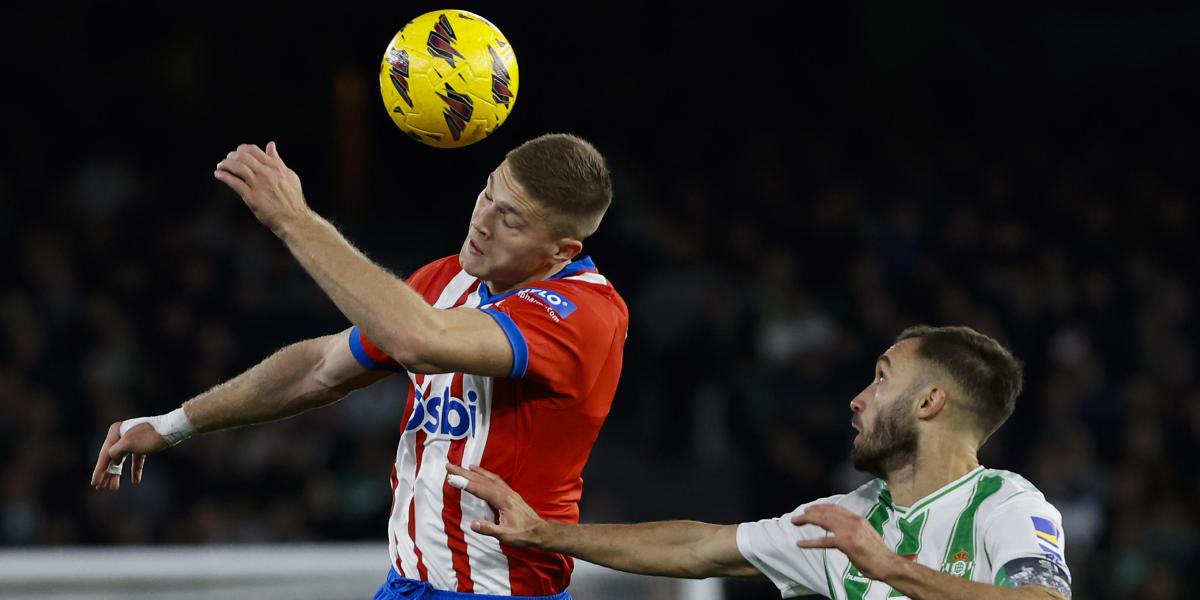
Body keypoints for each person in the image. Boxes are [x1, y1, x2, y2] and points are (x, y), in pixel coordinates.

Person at [89, 133, 629, 599]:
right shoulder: (446, 282)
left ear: (561, 251)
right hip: (406, 584)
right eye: (487, 193)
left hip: (498, 592)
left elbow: (418, 339)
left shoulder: (584, 315)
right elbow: (320, 369)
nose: (482, 221)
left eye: (509, 219)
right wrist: (174, 424)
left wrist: (294, 221)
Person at [447, 326, 1073, 600]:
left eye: (881, 380)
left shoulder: (1007, 506)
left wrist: (887, 567)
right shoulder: (844, 522)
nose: (857, 399)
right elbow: (697, 548)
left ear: (931, 402)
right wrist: (543, 532)